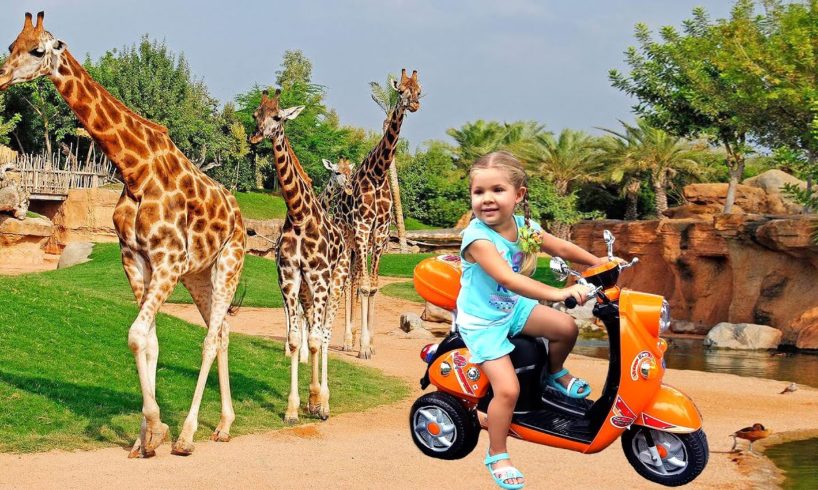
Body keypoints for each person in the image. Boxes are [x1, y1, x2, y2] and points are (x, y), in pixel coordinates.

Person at [457, 151, 606, 489]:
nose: (487, 199)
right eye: (479, 192)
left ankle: (554, 374)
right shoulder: (478, 238)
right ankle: (497, 453)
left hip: (511, 309)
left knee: (566, 328)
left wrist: (599, 264)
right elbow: (509, 279)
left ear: (518, 195)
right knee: (507, 390)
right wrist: (557, 294)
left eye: (498, 190)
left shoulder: (524, 229)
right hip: (483, 321)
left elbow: (562, 249)